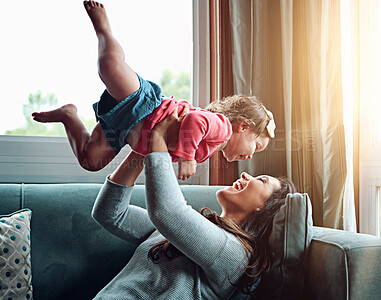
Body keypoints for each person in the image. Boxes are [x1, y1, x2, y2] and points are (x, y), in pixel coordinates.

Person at [31, 1, 276, 180]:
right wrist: (187, 157)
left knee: (90, 160)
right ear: (243, 126)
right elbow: (194, 120)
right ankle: (104, 29)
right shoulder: (222, 127)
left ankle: (68, 115)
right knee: (109, 67)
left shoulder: (213, 148)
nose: (251, 157)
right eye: (257, 147)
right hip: (145, 107)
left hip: (127, 131)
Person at [91, 107, 296, 299]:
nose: (245, 174)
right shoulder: (186, 229)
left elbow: (167, 213)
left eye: (261, 181)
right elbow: (110, 213)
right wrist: (142, 147)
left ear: (265, 207)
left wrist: (158, 141)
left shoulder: (235, 255)